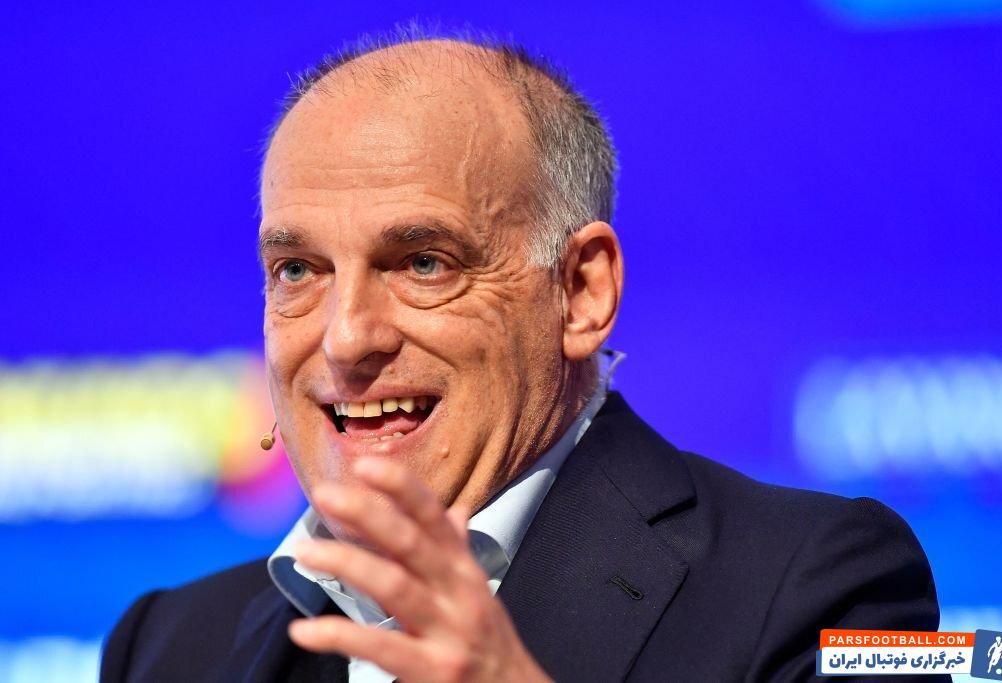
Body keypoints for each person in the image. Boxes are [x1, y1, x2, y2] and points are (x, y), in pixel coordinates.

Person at [101, 31, 946, 682]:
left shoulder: (830, 581)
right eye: (297, 270)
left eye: (422, 262)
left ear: (580, 291)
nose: (346, 337)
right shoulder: (166, 644)